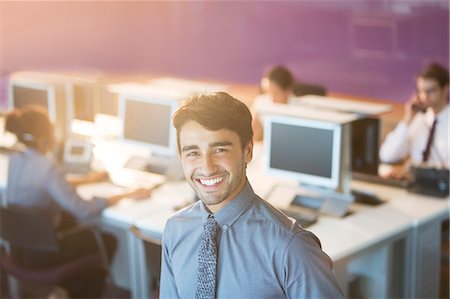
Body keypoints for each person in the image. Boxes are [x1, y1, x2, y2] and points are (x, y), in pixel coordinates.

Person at [160, 92, 343, 298]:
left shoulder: (291, 247)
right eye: (192, 153)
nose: (207, 167)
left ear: (248, 151)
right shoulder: (175, 229)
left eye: (219, 149)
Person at [4, 105, 152, 298]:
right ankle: (76, 292)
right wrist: (127, 194)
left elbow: (47, 183)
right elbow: (84, 210)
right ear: (45, 137)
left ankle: (66, 291)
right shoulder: (47, 166)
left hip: (19, 249)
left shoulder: (15, 159)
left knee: (71, 223)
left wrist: (89, 179)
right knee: (106, 240)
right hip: (43, 255)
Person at [379, 63, 449, 179]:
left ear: (446, 89)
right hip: (413, 187)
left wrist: (411, 172)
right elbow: (387, 156)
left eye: (430, 91)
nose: (424, 96)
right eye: (421, 91)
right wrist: (407, 120)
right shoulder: (418, 119)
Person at [251, 65, 297, 141]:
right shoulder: (261, 101)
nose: (271, 98)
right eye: (268, 92)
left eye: (275, 93)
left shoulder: (298, 109)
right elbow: (254, 135)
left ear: (288, 90)